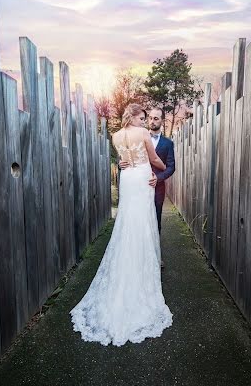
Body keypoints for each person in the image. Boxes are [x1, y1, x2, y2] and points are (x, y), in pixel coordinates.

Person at [69, 103, 173, 346]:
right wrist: (161, 167)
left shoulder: (115, 135)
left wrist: (124, 162)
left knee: (127, 220)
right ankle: (140, 264)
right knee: (142, 222)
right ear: (134, 115)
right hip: (142, 177)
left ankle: (129, 259)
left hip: (127, 177)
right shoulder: (143, 133)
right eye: (142, 117)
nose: (145, 121)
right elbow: (154, 157)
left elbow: (121, 159)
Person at [119, 107, 175, 267]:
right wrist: (120, 163)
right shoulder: (137, 137)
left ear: (162, 121)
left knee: (154, 220)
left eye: (156, 118)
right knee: (137, 219)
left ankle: (155, 256)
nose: (152, 121)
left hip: (156, 189)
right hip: (136, 187)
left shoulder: (168, 144)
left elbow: (171, 166)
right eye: (150, 118)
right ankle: (136, 255)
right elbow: (126, 156)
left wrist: (159, 177)